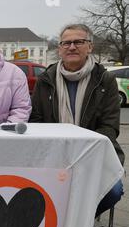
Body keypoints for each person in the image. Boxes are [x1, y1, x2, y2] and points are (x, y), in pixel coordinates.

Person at [30, 24, 124, 217]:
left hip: (93, 155)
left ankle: (80, 222)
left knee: (113, 191)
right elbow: (36, 122)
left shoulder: (105, 80)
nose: (72, 47)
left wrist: (82, 154)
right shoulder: (46, 80)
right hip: (53, 156)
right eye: (66, 43)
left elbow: (109, 127)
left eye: (78, 42)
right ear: (60, 49)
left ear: (90, 46)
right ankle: (60, 222)